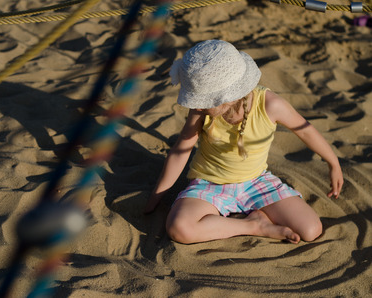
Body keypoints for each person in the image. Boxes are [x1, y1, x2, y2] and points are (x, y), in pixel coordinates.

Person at [143, 40, 343, 244]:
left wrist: (333, 163)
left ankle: (251, 218)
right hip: (210, 183)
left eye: (201, 100)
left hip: (256, 182)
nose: (197, 105)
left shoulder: (269, 104)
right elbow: (181, 150)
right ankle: (253, 225)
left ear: (225, 98)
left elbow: (306, 131)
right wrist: (156, 196)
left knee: (311, 230)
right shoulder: (201, 110)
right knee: (180, 229)